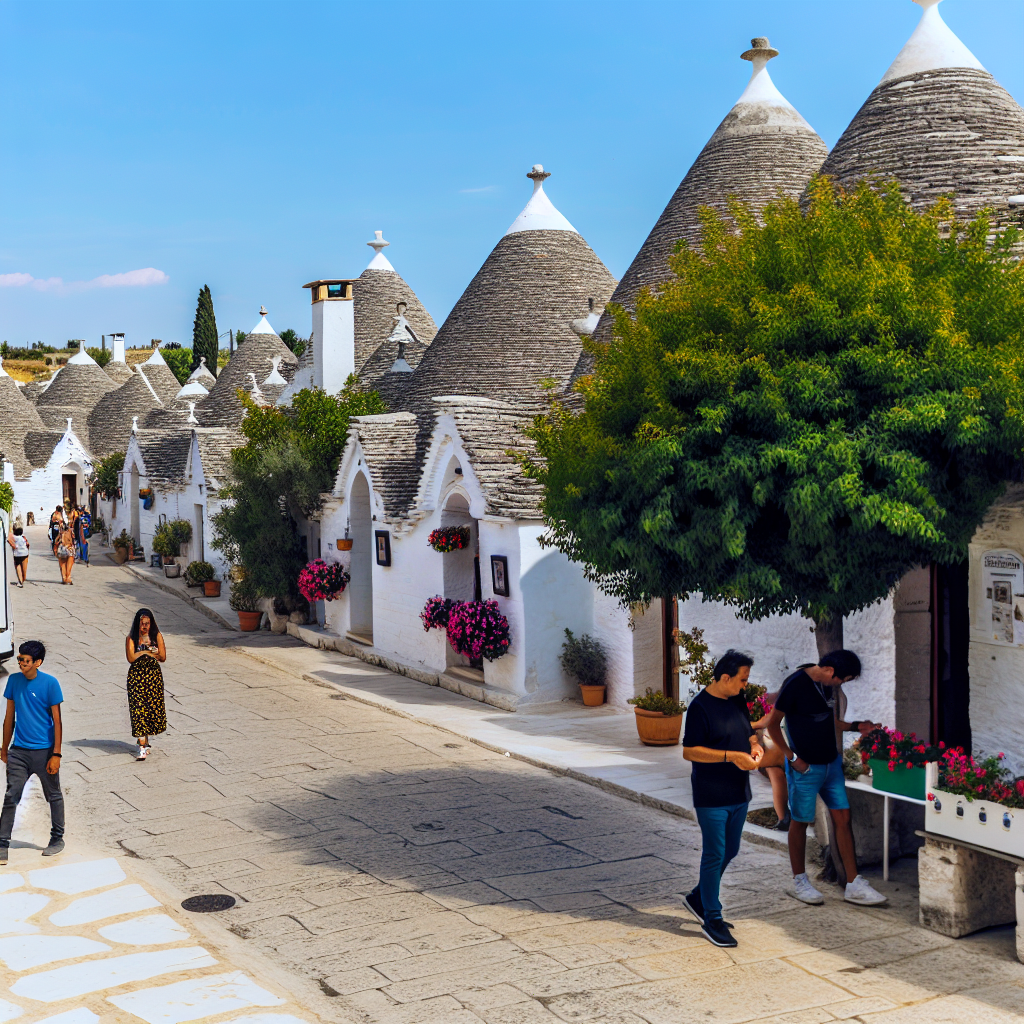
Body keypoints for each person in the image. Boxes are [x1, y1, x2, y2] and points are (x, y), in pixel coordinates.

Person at [766, 650, 886, 907]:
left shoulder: (826, 686)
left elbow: (829, 721)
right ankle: (799, 882)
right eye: (844, 680)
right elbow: (773, 724)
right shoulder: (796, 683)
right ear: (831, 671)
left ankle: (853, 884)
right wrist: (792, 757)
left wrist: (856, 726)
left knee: (843, 817)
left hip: (831, 765)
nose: (842, 685)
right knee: (800, 821)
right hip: (805, 768)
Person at [682, 650, 767, 948]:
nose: (745, 685)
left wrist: (756, 749)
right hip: (711, 795)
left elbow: (750, 735)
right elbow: (690, 751)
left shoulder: (737, 700)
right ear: (725, 678)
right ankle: (712, 917)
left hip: (739, 793)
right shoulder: (700, 707)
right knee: (715, 853)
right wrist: (732, 757)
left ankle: (697, 897)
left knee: (731, 850)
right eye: (742, 680)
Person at [0, 640, 65, 862]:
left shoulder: (50, 684)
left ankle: (57, 839)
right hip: (19, 751)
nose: (21, 663)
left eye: (25, 660)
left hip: (45, 752)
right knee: (11, 795)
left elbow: (57, 720)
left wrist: (56, 754)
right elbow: (9, 717)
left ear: (38, 662)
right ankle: (1, 844)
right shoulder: (14, 681)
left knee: (53, 795)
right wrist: (4, 747)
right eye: (19, 659)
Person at [125, 608, 167, 760]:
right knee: (138, 708)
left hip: (153, 678)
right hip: (136, 678)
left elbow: (162, 656)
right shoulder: (131, 639)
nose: (145, 627)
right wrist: (147, 652)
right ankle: (142, 745)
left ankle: (145, 741)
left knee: (149, 709)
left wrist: (144, 653)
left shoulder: (157, 636)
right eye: (142, 624)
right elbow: (131, 657)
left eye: (147, 624)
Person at [55, 521, 75, 585]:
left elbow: (56, 541)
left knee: (62, 564)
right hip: (69, 548)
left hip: (62, 549)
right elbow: (73, 539)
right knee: (69, 564)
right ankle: (68, 578)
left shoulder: (60, 533)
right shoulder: (70, 532)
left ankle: (64, 578)